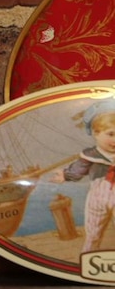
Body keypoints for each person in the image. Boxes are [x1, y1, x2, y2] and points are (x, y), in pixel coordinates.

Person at [50, 99, 115, 253]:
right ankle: (88, 255)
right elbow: (79, 169)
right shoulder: (91, 155)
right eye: (111, 134)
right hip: (97, 196)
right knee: (93, 231)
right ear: (96, 133)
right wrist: (65, 175)